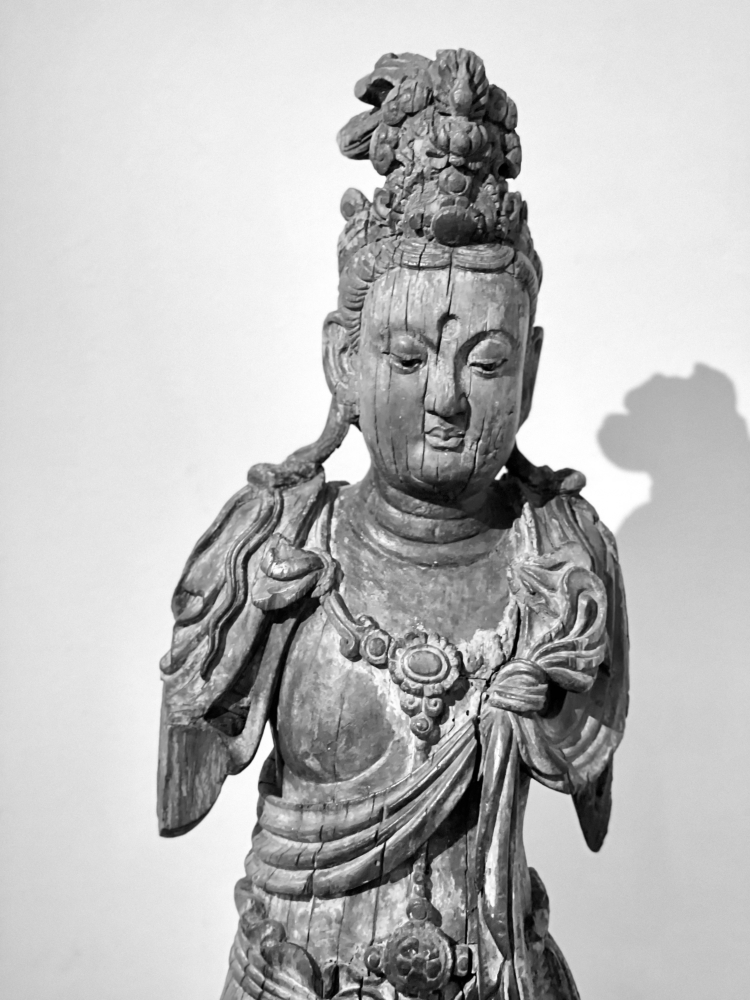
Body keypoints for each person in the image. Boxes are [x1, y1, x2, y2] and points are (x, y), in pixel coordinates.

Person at [158, 50, 629, 1000]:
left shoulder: (563, 560)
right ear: (345, 360)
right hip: (296, 973)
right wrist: (235, 627)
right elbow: (182, 793)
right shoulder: (278, 541)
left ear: (532, 370)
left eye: (487, 363)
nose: (447, 399)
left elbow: (591, 799)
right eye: (408, 358)